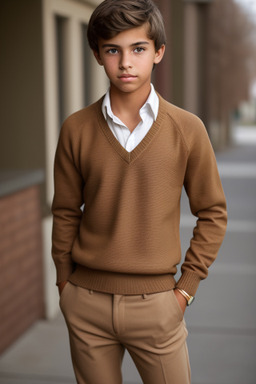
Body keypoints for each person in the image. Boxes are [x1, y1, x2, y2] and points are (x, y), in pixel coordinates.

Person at [51, 0, 227, 383]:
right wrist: (65, 284)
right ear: (97, 54)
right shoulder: (76, 129)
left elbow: (212, 212)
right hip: (86, 303)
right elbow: (66, 210)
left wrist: (185, 291)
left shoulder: (187, 129)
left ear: (158, 52)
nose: (125, 62)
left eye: (138, 49)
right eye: (113, 49)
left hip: (158, 306)